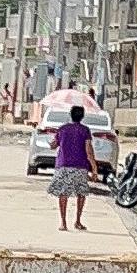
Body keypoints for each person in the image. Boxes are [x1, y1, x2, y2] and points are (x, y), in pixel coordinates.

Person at [49, 99, 98, 233]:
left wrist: (53, 142)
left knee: (63, 194)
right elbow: (88, 150)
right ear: (82, 116)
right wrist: (94, 168)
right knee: (81, 194)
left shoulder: (63, 129)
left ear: (71, 115)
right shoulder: (85, 130)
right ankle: (77, 221)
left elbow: (53, 145)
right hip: (80, 166)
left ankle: (63, 223)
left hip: (63, 165)